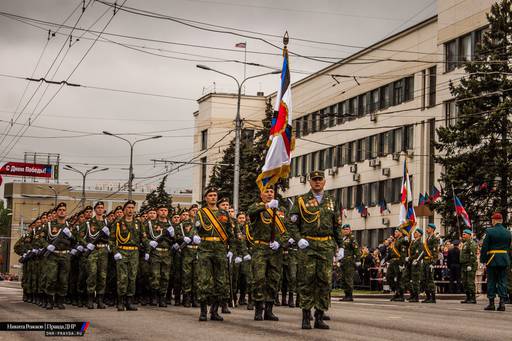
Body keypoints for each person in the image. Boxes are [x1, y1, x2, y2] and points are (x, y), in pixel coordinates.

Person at [288, 170, 343, 330]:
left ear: (324, 182)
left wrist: (341, 246)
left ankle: (319, 316)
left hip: (326, 245)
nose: (317, 182)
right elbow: (291, 223)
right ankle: (306, 316)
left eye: (320, 179)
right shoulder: (301, 200)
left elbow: (337, 226)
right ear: (310, 182)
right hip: (308, 245)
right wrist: (299, 239)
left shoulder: (332, 200)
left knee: (324, 282)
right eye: (314, 180)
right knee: (307, 281)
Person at [193, 187, 236, 322]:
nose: (213, 197)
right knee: (204, 281)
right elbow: (194, 228)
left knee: (221, 281)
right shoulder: (201, 213)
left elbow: (231, 233)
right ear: (206, 198)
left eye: (215, 195)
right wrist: (194, 236)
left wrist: (232, 249)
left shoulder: (224, 213)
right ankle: (203, 311)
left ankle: (215, 311)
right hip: (205, 249)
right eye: (210, 195)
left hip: (220, 249)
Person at [247, 188, 289, 321]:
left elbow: (287, 231)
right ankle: (259, 309)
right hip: (260, 248)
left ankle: (269, 310)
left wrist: (280, 243)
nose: (270, 194)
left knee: (273, 279)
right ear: (261, 194)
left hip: (275, 250)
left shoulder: (281, 211)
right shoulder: (257, 207)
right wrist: (266, 206)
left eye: (271, 191)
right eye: (267, 192)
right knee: (259, 279)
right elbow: (251, 212)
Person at [38, 202, 74, 310]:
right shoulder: (49, 225)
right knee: (51, 278)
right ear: (56, 212)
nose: (62, 211)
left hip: (65, 255)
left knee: (63, 279)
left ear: (66, 212)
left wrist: (71, 236)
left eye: (64, 210)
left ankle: (60, 301)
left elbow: (76, 241)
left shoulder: (70, 226)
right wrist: (47, 245)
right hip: (52, 256)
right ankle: (50, 300)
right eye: (60, 210)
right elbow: (40, 238)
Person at [109, 200, 142, 311]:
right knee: (122, 278)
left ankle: (129, 301)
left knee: (132, 277)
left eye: (132, 207)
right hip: (122, 251)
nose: (130, 210)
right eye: (128, 207)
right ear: (124, 210)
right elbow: (112, 240)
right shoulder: (118, 223)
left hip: (134, 252)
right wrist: (115, 252)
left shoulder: (138, 223)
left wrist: (148, 251)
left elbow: (144, 238)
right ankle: (120, 301)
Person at [144, 204, 175, 307]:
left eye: (165, 210)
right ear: (158, 212)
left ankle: (162, 297)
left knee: (165, 276)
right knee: (155, 275)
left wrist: (174, 236)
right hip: (155, 253)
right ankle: (154, 296)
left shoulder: (171, 224)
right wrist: (149, 243)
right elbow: (144, 236)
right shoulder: (150, 224)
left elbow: (175, 239)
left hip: (167, 253)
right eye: (161, 210)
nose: (163, 212)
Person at [81, 201, 110, 309]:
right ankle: (90, 299)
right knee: (92, 274)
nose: (100, 209)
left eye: (102, 208)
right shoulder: (88, 223)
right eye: (98, 208)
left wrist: (109, 244)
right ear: (95, 210)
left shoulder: (107, 223)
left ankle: (100, 300)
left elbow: (112, 238)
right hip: (93, 251)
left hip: (104, 251)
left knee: (102, 276)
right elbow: (80, 237)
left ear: (103, 209)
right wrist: (87, 244)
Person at [480, 212, 511, 311]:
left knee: (492, 281)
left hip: (492, 259)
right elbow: (510, 247)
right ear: (501, 221)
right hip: (504, 258)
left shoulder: (489, 231)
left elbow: (485, 247)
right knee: (502, 281)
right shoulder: (508, 232)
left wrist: (483, 260)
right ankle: (502, 303)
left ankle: (491, 303)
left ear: (494, 221)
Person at [385, 228, 408, 302]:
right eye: (395, 231)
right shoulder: (395, 241)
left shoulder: (402, 241)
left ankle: (400, 295)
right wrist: (385, 260)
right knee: (388, 277)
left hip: (398, 261)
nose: (395, 232)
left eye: (396, 231)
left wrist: (402, 264)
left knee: (399, 279)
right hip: (392, 262)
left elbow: (403, 254)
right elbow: (391, 253)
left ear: (401, 233)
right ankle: (396, 291)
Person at [339, 224, 360, 302]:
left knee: (348, 279)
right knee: (343, 279)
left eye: (347, 229)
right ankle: (346, 295)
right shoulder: (342, 238)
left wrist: (358, 260)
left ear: (350, 230)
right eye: (344, 229)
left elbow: (356, 249)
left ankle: (350, 296)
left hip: (349, 261)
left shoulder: (352, 238)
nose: (345, 230)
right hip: (343, 261)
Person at [421, 223, 440, 303]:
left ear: (432, 229)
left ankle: (432, 298)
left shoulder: (434, 239)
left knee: (430, 279)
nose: (427, 229)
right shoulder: (427, 238)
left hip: (430, 261)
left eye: (428, 228)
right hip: (425, 261)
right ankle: (428, 296)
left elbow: (435, 252)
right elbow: (424, 251)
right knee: (424, 279)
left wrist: (433, 263)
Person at [460, 229, 477, 304]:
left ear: (469, 235)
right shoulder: (465, 243)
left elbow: (472, 255)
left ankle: (473, 298)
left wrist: (470, 265)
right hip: (464, 265)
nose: (463, 236)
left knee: (470, 282)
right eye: (463, 234)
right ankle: (468, 297)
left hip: (469, 265)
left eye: (464, 234)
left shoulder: (472, 243)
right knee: (465, 282)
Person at [407, 228, 423, 302]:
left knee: (415, 280)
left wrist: (410, 258)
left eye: (416, 232)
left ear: (420, 234)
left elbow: (417, 254)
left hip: (416, 263)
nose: (414, 233)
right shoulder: (413, 242)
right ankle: (412, 294)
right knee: (410, 280)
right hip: (411, 263)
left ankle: (416, 297)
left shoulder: (420, 243)